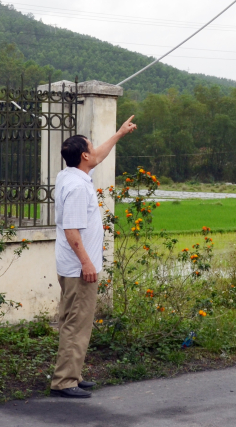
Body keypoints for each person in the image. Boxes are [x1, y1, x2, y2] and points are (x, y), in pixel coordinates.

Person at [50, 116, 137, 398]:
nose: (96, 151)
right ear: (84, 155)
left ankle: (72, 373)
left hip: (70, 265)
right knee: (77, 323)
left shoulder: (70, 174)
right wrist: (87, 262)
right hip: (79, 267)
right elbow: (72, 229)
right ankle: (64, 382)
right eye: (91, 147)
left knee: (72, 320)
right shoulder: (76, 187)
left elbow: (98, 154)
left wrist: (120, 134)